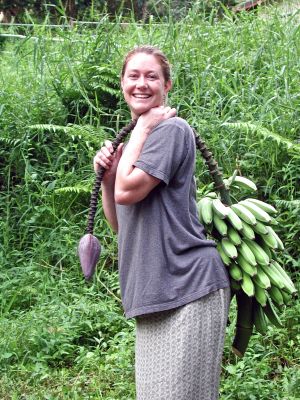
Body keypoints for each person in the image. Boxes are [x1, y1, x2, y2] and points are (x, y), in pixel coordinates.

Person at [94, 45, 231, 400]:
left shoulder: (171, 130)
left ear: (167, 86)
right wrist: (109, 178)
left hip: (188, 288)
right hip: (155, 295)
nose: (141, 84)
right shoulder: (142, 140)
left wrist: (140, 130)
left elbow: (129, 191)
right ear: (122, 83)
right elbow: (122, 224)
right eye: (133, 76)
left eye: (151, 76)